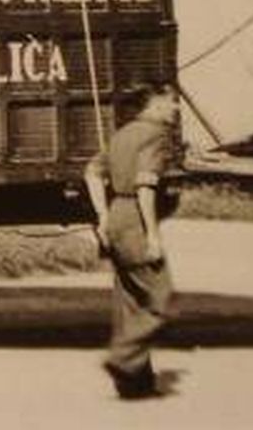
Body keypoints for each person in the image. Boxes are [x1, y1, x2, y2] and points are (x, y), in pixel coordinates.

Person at [84, 81, 180, 399]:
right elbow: (145, 187)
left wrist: (102, 216)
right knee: (160, 300)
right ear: (154, 104)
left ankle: (135, 384)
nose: (175, 108)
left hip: (115, 216)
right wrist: (152, 235)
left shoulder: (122, 134)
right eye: (171, 102)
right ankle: (122, 359)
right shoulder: (156, 135)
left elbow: (92, 172)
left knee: (130, 302)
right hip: (135, 219)